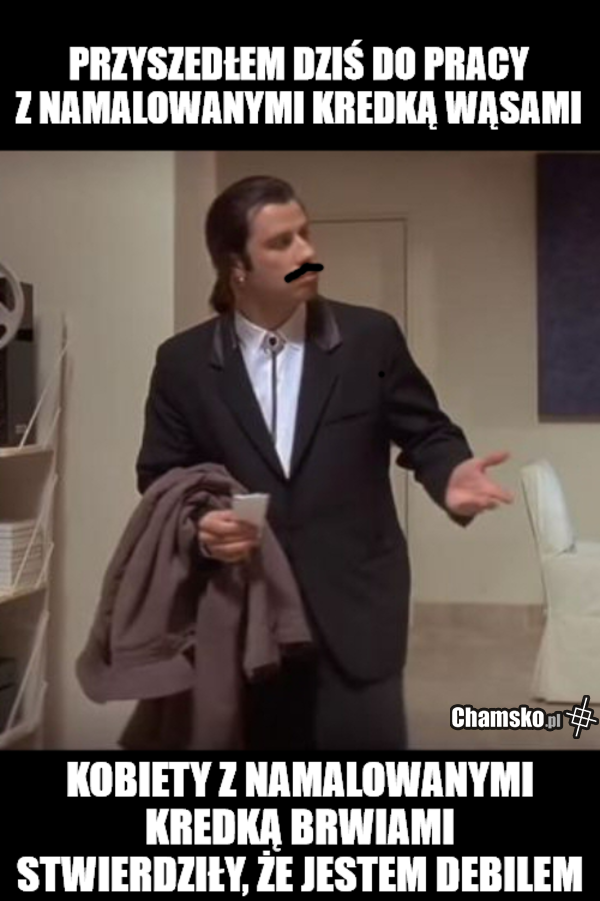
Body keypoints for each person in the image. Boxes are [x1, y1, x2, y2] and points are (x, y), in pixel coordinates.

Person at [136, 175, 513, 750]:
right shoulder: (183, 364)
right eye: (281, 242)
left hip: (358, 609)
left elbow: (427, 433)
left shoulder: (369, 339)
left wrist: (451, 473)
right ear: (236, 266)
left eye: (305, 234)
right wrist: (203, 528)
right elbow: (162, 477)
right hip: (247, 616)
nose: (307, 252)